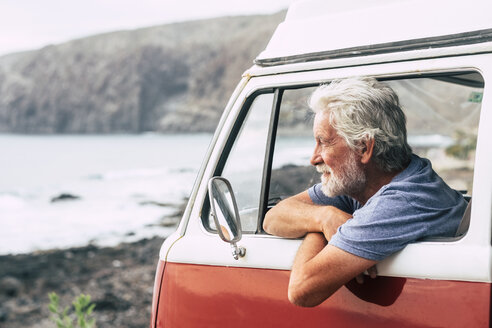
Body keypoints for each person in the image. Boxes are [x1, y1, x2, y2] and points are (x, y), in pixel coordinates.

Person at [263, 77, 468, 307]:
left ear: (364, 147)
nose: (314, 158)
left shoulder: (403, 201)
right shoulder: (367, 179)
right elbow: (272, 218)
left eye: (324, 142)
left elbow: (301, 290)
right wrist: (323, 217)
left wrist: (320, 229)